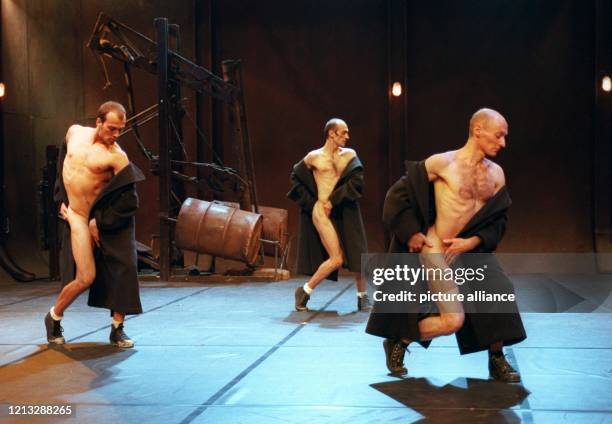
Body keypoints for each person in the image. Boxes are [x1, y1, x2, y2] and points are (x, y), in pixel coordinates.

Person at [366, 108, 526, 382]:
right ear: (478, 130)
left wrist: (472, 242)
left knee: (499, 291)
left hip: (470, 250)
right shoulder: (443, 163)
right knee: (453, 320)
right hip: (436, 251)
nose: (503, 143)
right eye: (499, 136)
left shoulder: (497, 174)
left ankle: (496, 359)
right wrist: (412, 233)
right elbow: (396, 197)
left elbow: (498, 221)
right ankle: (399, 341)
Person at [45, 101, 145, 348]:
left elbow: (130, 201)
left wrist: (99, 222)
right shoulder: (74, 133)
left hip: (103, 216)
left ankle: (117, 328)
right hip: (76, 215)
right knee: (86, 276)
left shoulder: (117, 157)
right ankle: (53, 316)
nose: (116, 134)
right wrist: (60, 199)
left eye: (120, 129)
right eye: (111, 128)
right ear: (98, 122)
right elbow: (62, 165)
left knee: (123, 268)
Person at [287, 118, 370, 312]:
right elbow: (295, 178)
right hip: (322, 213)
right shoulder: (314, 157)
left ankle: (362, 297)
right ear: (331, 133)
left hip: (343, 208)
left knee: (358, 253)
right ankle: (304, 291)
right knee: (337, 258)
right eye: (344, 132)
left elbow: (356, 182)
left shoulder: (349, 155)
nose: (347, 137)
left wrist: (335, 200)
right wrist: (313, 203)